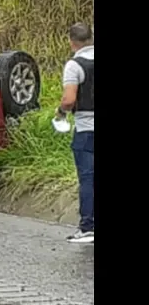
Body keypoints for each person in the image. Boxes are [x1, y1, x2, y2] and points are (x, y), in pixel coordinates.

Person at [56, 23, 94, 244]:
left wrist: (61, 113)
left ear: (72, 42)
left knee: (88, 178)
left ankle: (88, 227)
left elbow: (69, 100)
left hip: (87, 129)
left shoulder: (75, 65)